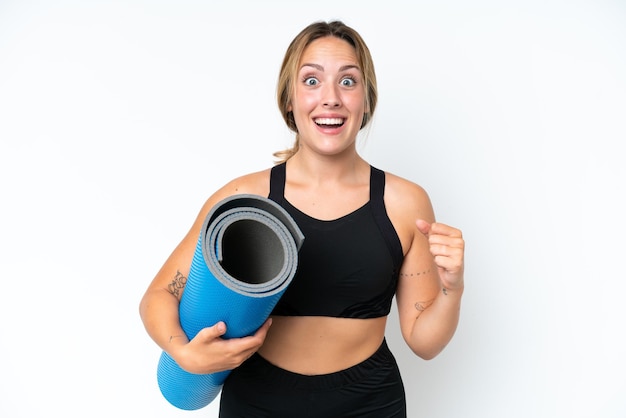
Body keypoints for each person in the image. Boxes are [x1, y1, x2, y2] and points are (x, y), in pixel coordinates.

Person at [139, 20, 465, 417]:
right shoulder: (242, 199)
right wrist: (182, 353)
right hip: (257, 401)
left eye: (348, 82)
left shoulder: (405, 203)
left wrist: (451, 289)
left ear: (366, 100)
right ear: (289, 99)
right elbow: (160, 294)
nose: (330, 98)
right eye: (311, 81)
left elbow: (424, 342)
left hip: (370, 403)